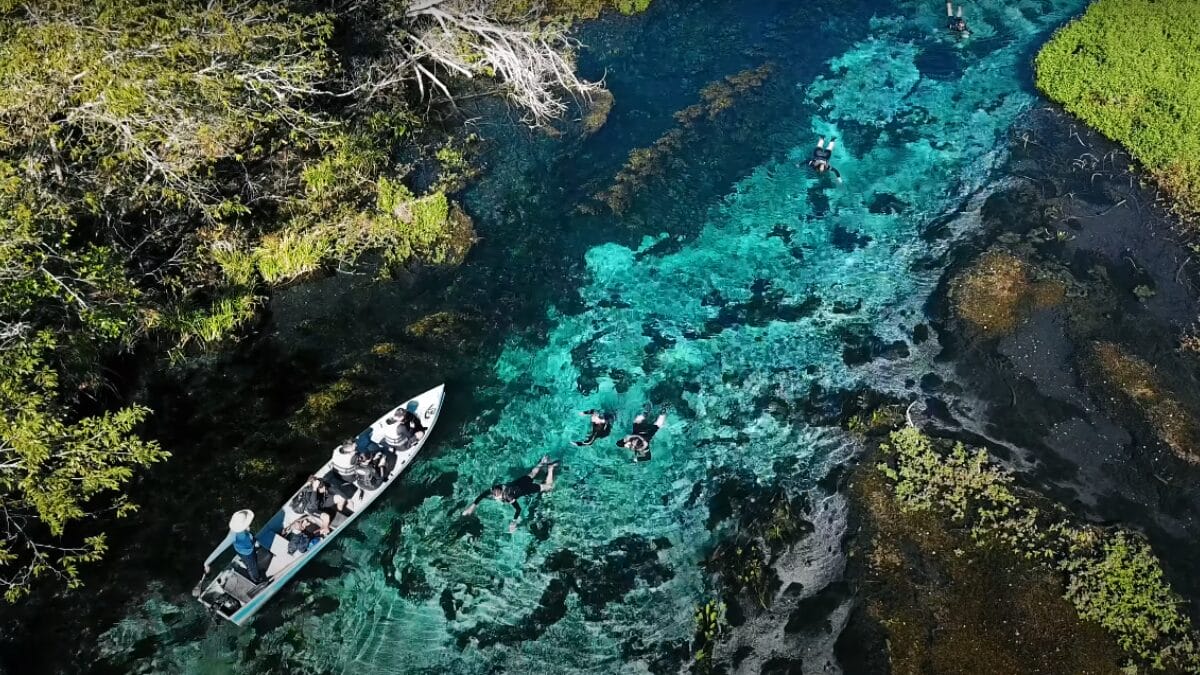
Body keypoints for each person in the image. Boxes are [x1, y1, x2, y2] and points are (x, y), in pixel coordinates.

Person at [462, 456, 558, 533]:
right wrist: (472, 507)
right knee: (532, 474)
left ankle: (550, 468)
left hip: (525, 489)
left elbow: (518, 509)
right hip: (518, 482)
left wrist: (513, 522)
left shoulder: (508, 497)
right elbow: (482, 495)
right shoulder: (495, 488)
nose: (494, 497)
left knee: (548, 487)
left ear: (500, 495)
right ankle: (542, 462)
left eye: (496, 497)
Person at [203, 509, 265, 584]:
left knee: (254, 559)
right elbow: (219, 549)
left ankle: (255, 570)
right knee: (252, 566)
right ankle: (256, 579)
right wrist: (206, 563)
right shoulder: (232, 536)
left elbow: (246, 534)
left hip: (249, 545)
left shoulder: (240, 527)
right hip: (245, 552)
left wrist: (247, 531)